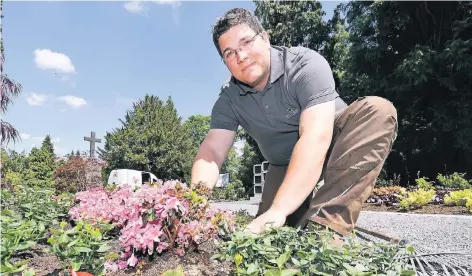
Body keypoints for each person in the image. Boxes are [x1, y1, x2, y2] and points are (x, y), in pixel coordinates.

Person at [190, 8, 398, 238]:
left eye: (246, 42)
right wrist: (195, 203)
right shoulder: (228, 99)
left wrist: (279, 210)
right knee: (268, 237)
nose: (241, 56)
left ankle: (327, 231)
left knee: (378, 110)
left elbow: (315, 137)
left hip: (334, 139)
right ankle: (302, 214)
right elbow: (211, 151)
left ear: (265, 37)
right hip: (283, 164)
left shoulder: (304, 65)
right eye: (229, 53)